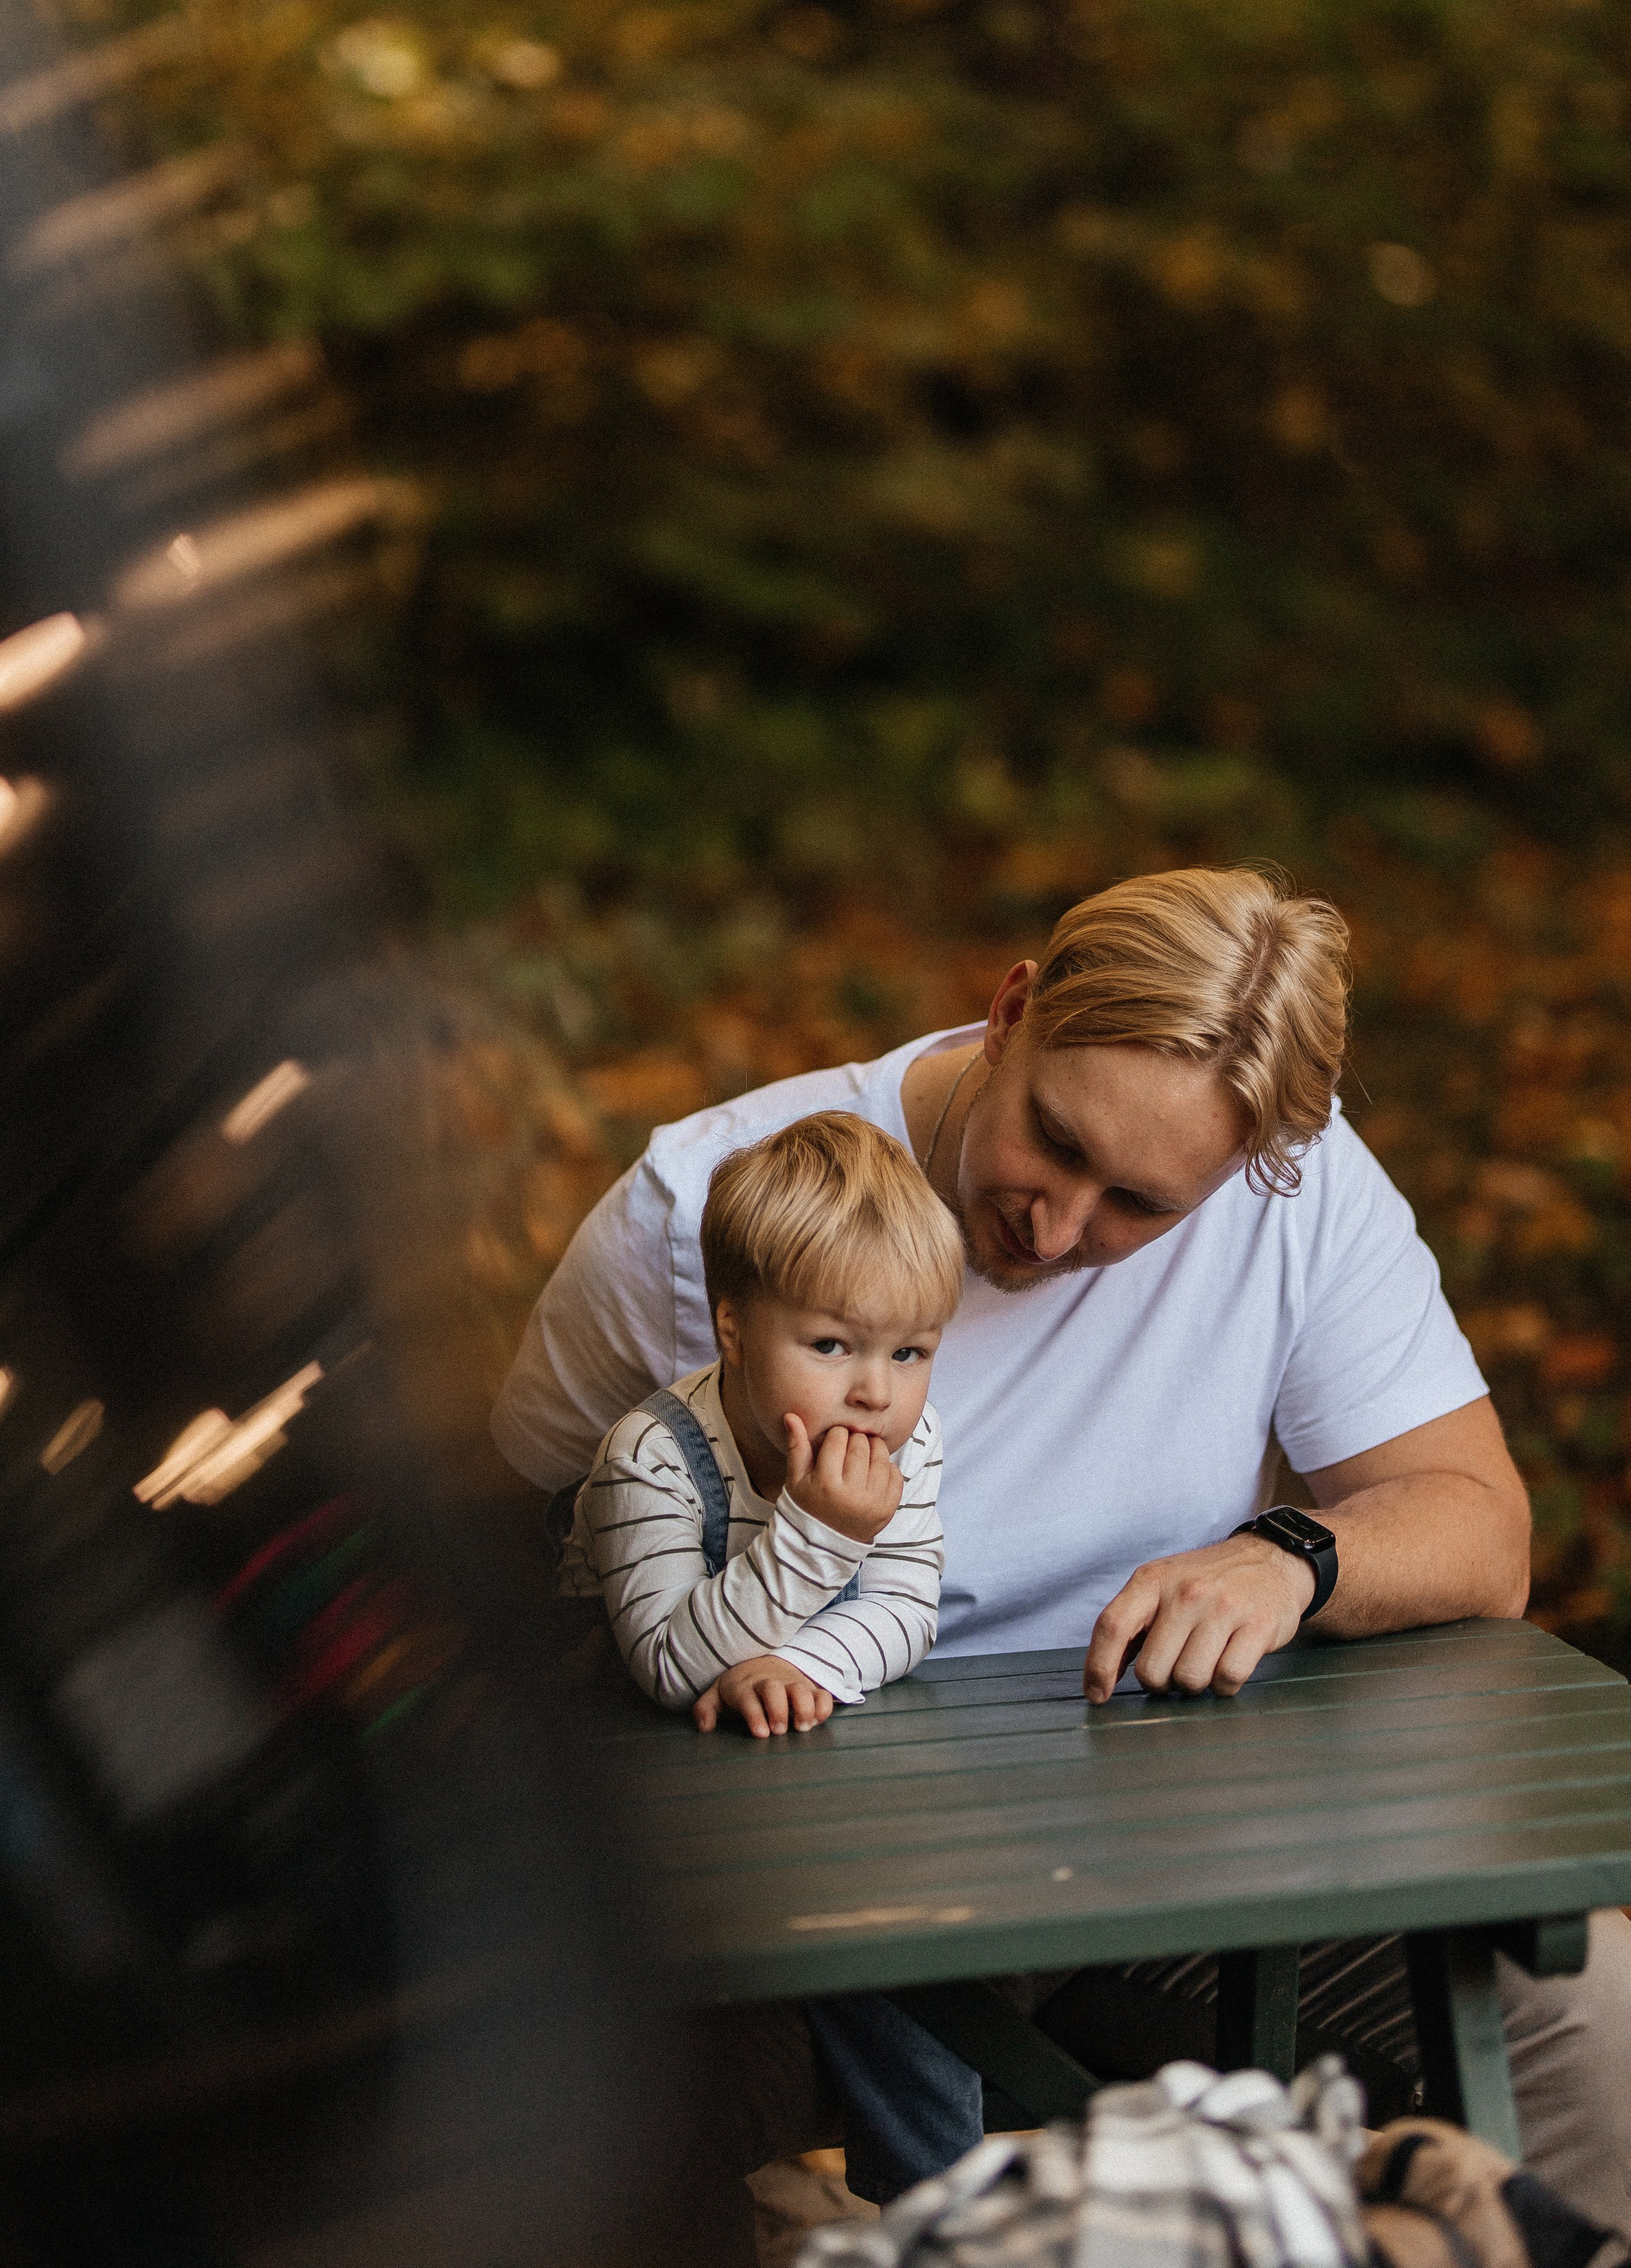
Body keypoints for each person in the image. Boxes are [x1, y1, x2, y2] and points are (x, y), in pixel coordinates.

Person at [494, 867, 1631, 2228]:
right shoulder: (700, 1216)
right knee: (559, 2154)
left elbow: (1477, 1524)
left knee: (1600, 2036)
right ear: (1009, 1012)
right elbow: (487, 1581)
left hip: (1182, 1870)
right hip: (799, 1908)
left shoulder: (1299, 1191)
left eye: (1140, 1206)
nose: (1057, 1225)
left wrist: (1291, 1556)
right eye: (1053, 1138)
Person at [562, 1111, 988, 2198]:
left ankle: (938, 2203)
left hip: (797, 1799)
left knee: (906, 1943)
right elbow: (668, 1661)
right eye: (833, 1346)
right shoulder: (650, 1459)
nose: (876, 1391)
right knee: (680, 2064)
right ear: (735, 1328)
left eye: (911, 1353)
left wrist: (809, 1668)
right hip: (632, 1816)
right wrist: (819, 1536)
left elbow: (907, 1606)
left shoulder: (904, 1444)